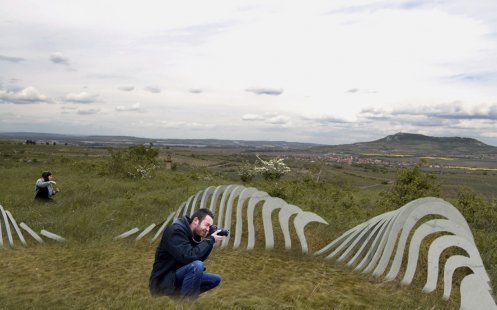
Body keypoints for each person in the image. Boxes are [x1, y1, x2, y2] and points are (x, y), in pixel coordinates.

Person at [149, 208, 224, 299]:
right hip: (164, 279)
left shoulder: (194, 235)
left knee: (215, 279)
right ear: (196, 220)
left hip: (178, 275)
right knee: (196, 266)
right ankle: (187, 303)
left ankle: (182, 297)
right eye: (207, 225)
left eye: (210, 227)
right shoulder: (175, 231)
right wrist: (210, 240)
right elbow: (189, 256)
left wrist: (210, 241)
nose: (208, 229)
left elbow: (199, 257)